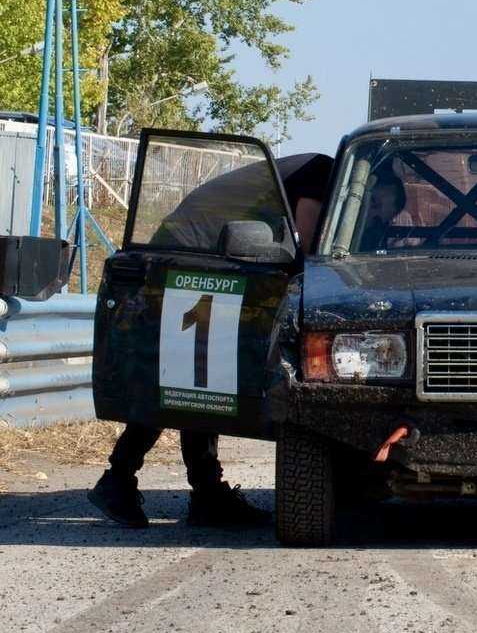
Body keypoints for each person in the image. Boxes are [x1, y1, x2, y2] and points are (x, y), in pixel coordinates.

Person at [88, 151, 333, 531]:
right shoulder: (323, 174)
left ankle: (201, 493)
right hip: (191, 255)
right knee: (187, 377)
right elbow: (312, 257)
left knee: (199, 379)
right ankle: (123, 479)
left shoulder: (311, 170)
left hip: (198, 253)